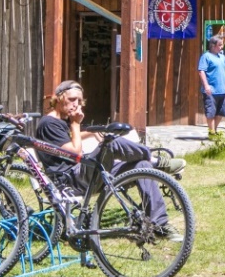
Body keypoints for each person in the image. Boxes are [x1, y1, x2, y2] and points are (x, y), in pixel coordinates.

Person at [35, 80, 181, 238]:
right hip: (71, 180)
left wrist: (89, 132)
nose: (76, 105)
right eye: (72, 99)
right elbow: (75, 152)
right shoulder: (49, 123)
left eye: (79, 101)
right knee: (111, 144)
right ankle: (156, 160)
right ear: (59, 98)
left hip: (83, 176)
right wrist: (76, 124)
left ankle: (159, 225)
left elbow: (67, 140)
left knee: (142, 165)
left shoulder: (60, 120)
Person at [198, 35, 225, 134]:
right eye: (219, 45)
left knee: (221, 112)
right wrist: (206, 86)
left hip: (222, 90)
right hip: (211, 90)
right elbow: (201, 71)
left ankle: (214, 130)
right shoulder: (206, 56)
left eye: (222, 44)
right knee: (210, 112)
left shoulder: (221, 57)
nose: (222, 47)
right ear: (212, 45)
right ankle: (211, 132)